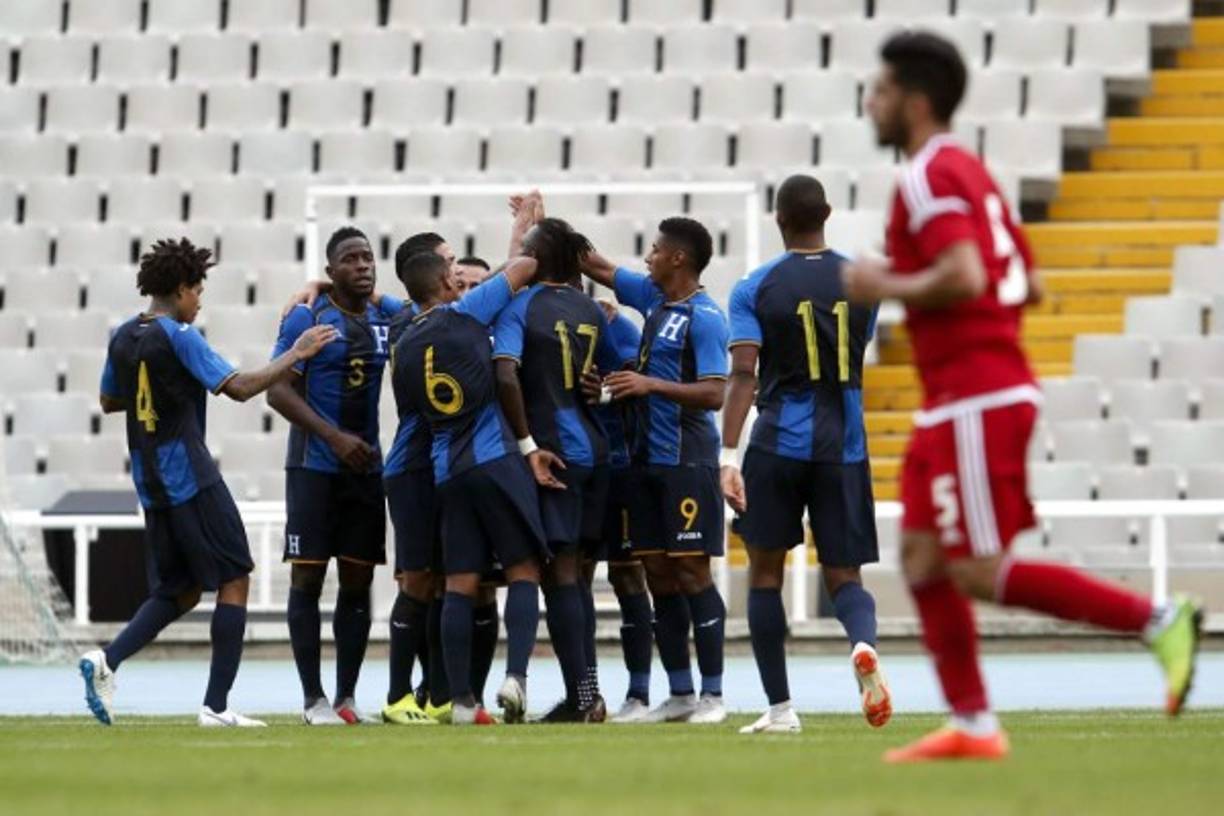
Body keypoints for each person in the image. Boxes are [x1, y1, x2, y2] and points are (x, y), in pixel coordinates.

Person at [842, 31, 1203, 763]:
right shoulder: (971, 171)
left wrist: (886, 284)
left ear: (915, 101)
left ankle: (1158, 618)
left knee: (975, 568)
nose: (869, 103)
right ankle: (974, 724)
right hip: (956, 394)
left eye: (880, 91)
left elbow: (968, 275)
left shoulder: (927, 174)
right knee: (920, 556)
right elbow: (1027, 283)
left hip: (976, 393)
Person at [79, 238, 336, 728]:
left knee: (180, 591)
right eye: (197, 291)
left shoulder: (122, 335)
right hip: (190, 477)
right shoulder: (180, 335)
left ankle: (106, 660)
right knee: (235, 577)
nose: (199, 301)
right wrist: (297, 353)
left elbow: (109, 401)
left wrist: (154, 392)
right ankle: (216, 707)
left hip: (150, 481)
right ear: (180, 289)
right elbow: (238, 388)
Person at [723, 174, 890, 735]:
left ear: (778, 219)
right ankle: (862, 643)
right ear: (828, 213)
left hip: (777, 444)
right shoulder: (864, 281)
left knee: (765, 575)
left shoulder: (755, 287)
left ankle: (780, 709)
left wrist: (727, 455)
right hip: (844, 446)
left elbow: (743, 374)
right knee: (845, 576)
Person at [578, 217, 731, 725]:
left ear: (678, 258)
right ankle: (681, 693)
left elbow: (715, 392)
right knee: (659, 575)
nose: (648, 257)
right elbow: (597, 266)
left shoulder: (705, 318)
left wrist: (649, 385)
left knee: (692, 572)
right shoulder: (653, 300)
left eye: (656, 249)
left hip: (687, 460)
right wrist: (540, 222)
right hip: (645, 463)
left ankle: (714, 695)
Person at [392, 243, 546, 726]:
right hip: (495, 457)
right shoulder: (465, 314)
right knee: (523, 569)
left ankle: (460, 701)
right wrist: (526, 234)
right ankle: (515, 677)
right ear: (445, 283)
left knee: (459, 581)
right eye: (453, 272)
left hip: (446, 470)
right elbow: (526, 266)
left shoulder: (404, 344)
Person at [269, 227, 401, 726]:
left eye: (368, 257)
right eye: (350, 259)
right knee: (307, 576)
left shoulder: (386, 318)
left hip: (365, 469)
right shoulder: (307, 316)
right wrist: (334, 437)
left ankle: (346, 697)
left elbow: (432, 299)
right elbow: (278, 391)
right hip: (314, 466)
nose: (363, 265)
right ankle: (312, 699)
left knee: (358, 580)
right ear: (331, 269)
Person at [492, 215, 617, 723]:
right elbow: (617, 372)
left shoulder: (520, 306)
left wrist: (526, 444)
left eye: (526, 248)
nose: (520, 255)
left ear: (538, 258)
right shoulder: (591, 309)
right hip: (595, 450)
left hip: (553, 452)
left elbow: (505, 373)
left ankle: (585, 697)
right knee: (577, 576)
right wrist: (602, 391)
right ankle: (584, 694)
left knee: (560, 574)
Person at [589, 299, 656, 723]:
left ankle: (639, 693)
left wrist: (604, 391)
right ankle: (583, 692)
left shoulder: (619, 329)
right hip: (571, 470)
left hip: (619, 468)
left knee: (627, 574)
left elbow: (637, 385)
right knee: (571, 578)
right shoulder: (537, 321)